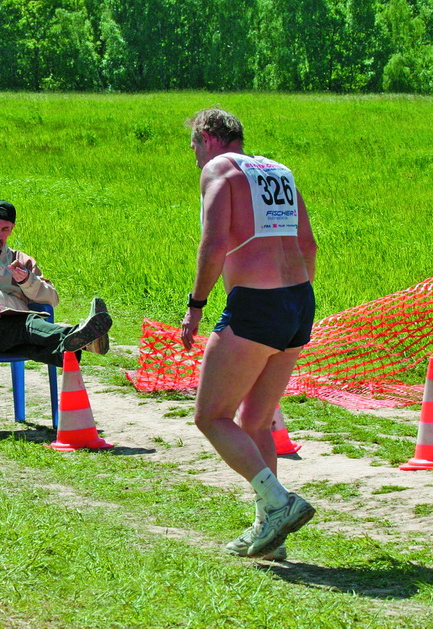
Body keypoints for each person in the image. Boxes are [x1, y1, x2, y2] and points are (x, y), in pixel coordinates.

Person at [180, 108, 317, 559]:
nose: (195, 157)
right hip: (298, 301)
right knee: (255, 421)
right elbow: (309, 245)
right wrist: (293, 298)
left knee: (210, 416)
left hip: (257, 305)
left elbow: (214, 242)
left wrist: (196, 306)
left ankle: (278, 504)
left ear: (207, 137)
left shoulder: (220, 169)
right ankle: (269, 534)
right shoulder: (278, 170)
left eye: (195, 146)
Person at [0, 200, 112, 367]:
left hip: (20, 330)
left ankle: (84, 344)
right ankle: (83, 337)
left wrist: (26, 280)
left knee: (58, 351)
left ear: (12, 229)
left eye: (5, 229)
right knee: (25, 324)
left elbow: (52, 299)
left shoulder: (22, 261)